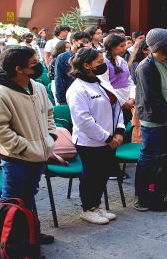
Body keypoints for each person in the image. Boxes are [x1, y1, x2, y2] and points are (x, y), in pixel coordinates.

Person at [0, 46, 56, 244]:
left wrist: (51, 136)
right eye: (33, 63)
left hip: (39, 154)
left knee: (29, 195)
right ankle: (10, 242)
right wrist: (23, 146)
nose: (39, 65)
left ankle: (31, 233)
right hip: (16, 157)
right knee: (12, 199)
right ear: (19, 68)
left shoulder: (38, 87)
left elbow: (50, 113)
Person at [67, 47, 123, 224]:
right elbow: (83, 120)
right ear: (86, 65)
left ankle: (96, 205)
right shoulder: (77, 89)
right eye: (99, 62)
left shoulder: (101, 82)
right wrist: (107, 138)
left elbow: (117, 108)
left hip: (110, 140)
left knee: (103, 173)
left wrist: (120, 131)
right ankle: (88, 208)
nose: (104, 64)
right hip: (90, 142)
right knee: (91, 175)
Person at [134, 28, 167, 211]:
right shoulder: (145, 67)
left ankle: (160, 188)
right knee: (148, 158)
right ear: (161, 45)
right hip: (154, 120)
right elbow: (151, 98)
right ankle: (142, 195)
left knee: (165, 156)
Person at [97, 34, 135, 116]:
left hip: (128, 99)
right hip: (113, 101)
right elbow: (105, 85)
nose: (125, 48)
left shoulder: (122, 61)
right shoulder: (103, 62)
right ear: (112, 47)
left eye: (125, 45)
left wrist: (132, 98)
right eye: (121, 46)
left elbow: (130, 81)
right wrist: (123, 102)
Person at [54, 31, 90, 105]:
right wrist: (61, 99)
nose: (86, 44)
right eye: (83, 41)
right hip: (69, 94)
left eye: (87, 42)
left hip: (87, 94)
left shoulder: (89, 56)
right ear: (73, 41)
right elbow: (59, 77)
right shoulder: (62, 57)